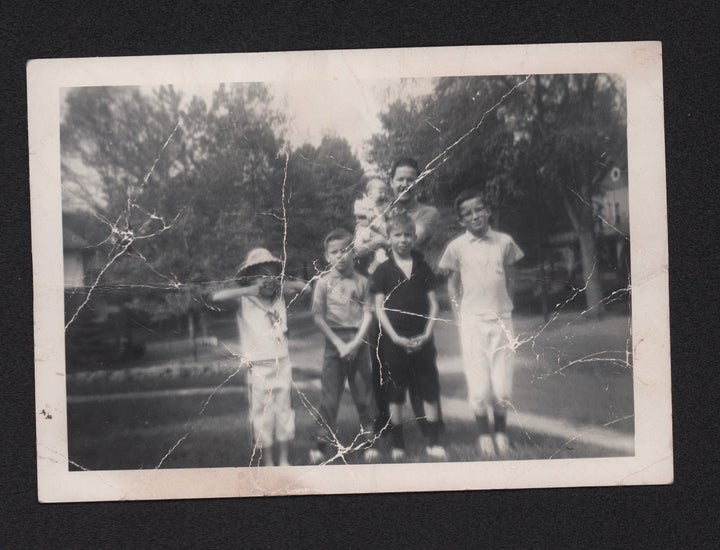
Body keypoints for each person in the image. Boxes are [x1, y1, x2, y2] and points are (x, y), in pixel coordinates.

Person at [438, 190, 524, 458]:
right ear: (461, 219)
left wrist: (507, 303)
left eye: (479, 210)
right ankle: (484, 435)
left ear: (488, 210)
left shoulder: (504, 242)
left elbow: (511, 276)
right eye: (467, 213)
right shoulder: (456, 247)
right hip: (472, 322)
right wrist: (458, 313)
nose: (475, 216)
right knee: (479, 384)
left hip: (501, 319)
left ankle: (500, 432)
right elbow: (451, 284)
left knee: (502, 385)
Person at [211, 248, 305, 467]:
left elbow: (304, 287)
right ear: (251, 278)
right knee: (262, 413)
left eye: (272, 274)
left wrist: (279, 285)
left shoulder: (279, 296)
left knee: (284, 410)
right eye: (262, 275)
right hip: (258, 366)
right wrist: (251, 290)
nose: (267, 279)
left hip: (282, 361)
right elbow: (216, 296)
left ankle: (284, 459)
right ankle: (269, 461)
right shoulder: (245, 300)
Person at [369, 158, 443, 437]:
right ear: (391, 181)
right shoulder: (386, 210)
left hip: (413, 294)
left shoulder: (428, 212)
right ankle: (388, 428)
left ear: (418, 182)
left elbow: (415, 237)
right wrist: (378, 231)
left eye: (411, 178)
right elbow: (360, 244)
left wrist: (379, 229)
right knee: (384, 364)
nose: (405, 184)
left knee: (422, 365)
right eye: (400, 178)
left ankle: (430, 427)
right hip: (382, 292)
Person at [371, 213, 446, 461]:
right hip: (394, 340)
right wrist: (394, 337)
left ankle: (434, 442)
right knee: (395, 391)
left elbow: (434, 304)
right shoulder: (382, 270)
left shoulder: (423, 266)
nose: (403, 240)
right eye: (397, 235)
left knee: (429, 389)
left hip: (422, 339)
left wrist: (426, 334)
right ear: (389, 238)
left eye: (407, 235)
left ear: (414, 237)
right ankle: (398, 444)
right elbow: (378, 308)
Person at [309, 228, 379, 464]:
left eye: (345, 250)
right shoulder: (322, 284)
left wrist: (356, 344)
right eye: (334, 252)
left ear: (353, 253)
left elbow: (369, 314)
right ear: (327, 256)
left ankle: (370, 443)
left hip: (358, 341)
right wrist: (339, 344)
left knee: (363, 396)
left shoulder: (362, 282)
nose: (340, 256)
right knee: (330, 398)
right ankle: (320, 445)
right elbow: (318, 318)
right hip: (334, 343)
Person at [353, 178, 392, 275]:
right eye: (381, 192)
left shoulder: (385, 206)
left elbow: (390, 216)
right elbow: (356, 211)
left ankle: (373, 268)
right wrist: (366, 213)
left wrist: (393, 214)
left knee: (381, 253)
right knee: (361, 242)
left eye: (385, 193)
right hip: (364, 230)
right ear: (370, 194)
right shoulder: (363, 202)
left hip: (376, 233)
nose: (383, 195)